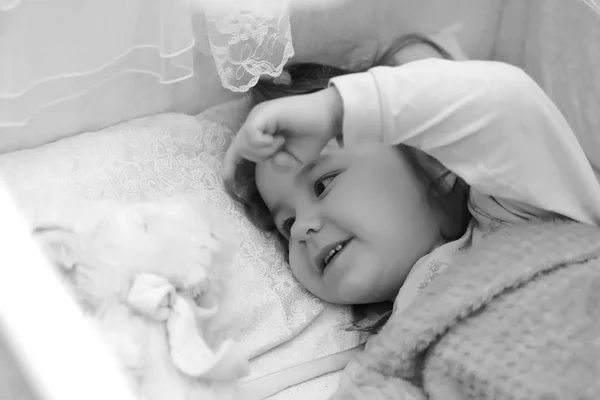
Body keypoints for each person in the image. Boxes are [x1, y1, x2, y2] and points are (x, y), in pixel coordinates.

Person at [222, 38, 600, 332]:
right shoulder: (392, 344)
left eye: (322, 185)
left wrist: (336, 110)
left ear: (434, 158)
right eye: (286, 225)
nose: (302, 228)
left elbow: (506, 103)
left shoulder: (515, 214)